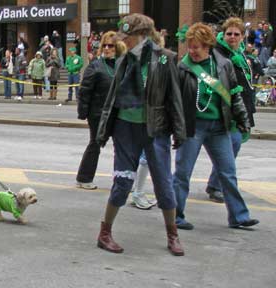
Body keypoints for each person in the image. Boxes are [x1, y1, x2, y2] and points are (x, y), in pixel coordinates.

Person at [96, 14, 186, 256]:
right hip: (125, 128)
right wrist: (103, 130)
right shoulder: (125, 59)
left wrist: (179, 130)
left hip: (155, 128)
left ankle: (172, 235)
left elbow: (174, 98)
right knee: (123, 182)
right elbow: (112, 98)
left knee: (164, 184)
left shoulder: (165, 60)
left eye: (129, 37)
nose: (125, 42)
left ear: (144, 36)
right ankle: (105, 233)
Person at [174, 22, 259, 230]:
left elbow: (234, 94)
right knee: (183, 172)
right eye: (190, 46)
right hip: (193, 127)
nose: (192, 51)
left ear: (208, 46)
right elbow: (173, 101)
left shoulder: (223, 65)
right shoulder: (182, 67)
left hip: (219, 127)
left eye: (197, 47)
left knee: (228, 172)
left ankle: (238, 216)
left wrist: (243, 122)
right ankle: (175, 216)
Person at [205, 17, 257, 203]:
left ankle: (214, 184)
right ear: (223, 34)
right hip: (226, 108)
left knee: (231, 148)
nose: (232, 37)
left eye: (237, 34)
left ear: (243, 36)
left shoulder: (241, 55)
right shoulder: (216, 53)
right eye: (229, 34)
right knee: (230, 146)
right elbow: (207, 77)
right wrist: (223, 94)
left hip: (242, 107)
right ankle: (217, 186)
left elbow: (246, 82)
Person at [76, 31, 126, 190]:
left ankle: (122, 181)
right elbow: (85, 91)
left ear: (117, 47)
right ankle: (84, 178)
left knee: (122, 147)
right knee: (95, 144)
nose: (106, 48)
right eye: (104, 45)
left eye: (110, 45)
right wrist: (83, 112)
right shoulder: (96, 66)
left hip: (119, 113)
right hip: (98, 114)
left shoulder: (123, 64)